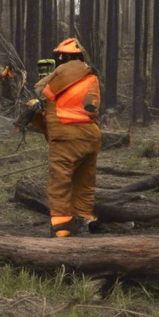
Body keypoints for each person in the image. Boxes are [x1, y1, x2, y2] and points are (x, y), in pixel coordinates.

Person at [32, 38, 101, 237]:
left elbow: (41, 95)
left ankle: (62, 225)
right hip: (91, 136)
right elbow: (92, 104)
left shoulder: (57, 76)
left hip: (66, 136)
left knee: (60, 180)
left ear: (63, 57)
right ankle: (85, 218)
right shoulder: (92, 76)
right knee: (84, 181)